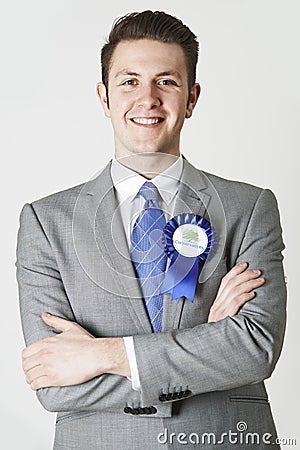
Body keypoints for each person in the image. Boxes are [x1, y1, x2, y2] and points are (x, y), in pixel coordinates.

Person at [16, 10, 286, 450]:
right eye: (129, 82)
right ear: (104, 97)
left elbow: (255, 348)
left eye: (167, 81)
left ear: (192, 98)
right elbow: (54, 383)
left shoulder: (249, 207)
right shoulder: (45, 222)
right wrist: (207, 344)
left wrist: (105, 356)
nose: (148, 99)